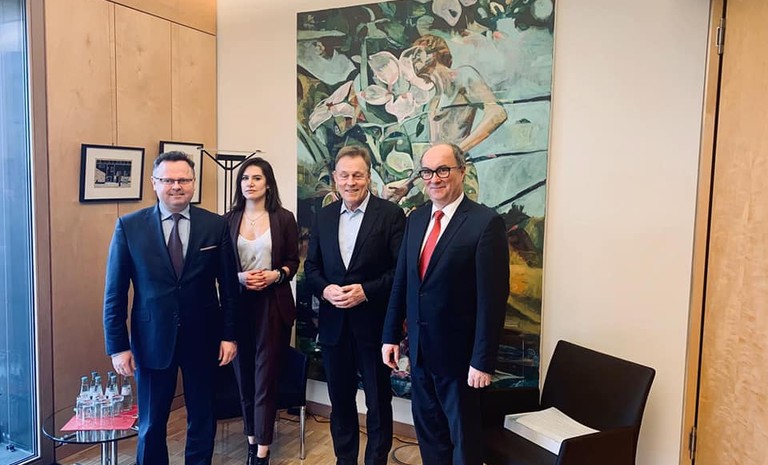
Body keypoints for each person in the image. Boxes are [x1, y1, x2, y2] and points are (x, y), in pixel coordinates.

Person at [103, 151, 239, 465]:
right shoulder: (129, 227)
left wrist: (229, 336)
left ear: (193, 183)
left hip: (203, 338)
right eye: (168, 180)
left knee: (203, 417)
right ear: (154, 183)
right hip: (151, 340)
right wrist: (118, 346)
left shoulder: (215, 225)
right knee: (151, 424)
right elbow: (114, 294)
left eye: (183, 180)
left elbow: (229, 289)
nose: (176, 186)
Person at [381, 143, 509, 465]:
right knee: (430, 438)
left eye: (443, 170)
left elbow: (492, 300)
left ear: (461, 172)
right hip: (420, 354)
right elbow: (402, 283)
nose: (434, 179)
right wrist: (390, 335)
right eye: (427, 172)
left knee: (464, 443)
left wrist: (482, 360)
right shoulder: (416, 219)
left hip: (461, 361)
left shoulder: (485, 223)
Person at [305, 145, 406, 465]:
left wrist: (366, 291)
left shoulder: (390, 215)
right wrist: (326, 290)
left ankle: (376, 461)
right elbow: (311, 268)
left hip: (373, 326)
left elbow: (400, 272)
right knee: (340, 402)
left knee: (378, 402)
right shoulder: (324, 217)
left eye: (358, 175)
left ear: (369, 177)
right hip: (334, 327)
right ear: (335, 178)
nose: (351, 182)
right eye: (345, 175)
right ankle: (344, 459)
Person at [224, 157, 299, 465]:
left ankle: (263, 451)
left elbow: (293, 262)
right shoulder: (229, 219)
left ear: (268, 184)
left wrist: (275, 275)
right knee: (244, 376)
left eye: (256, 178)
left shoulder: (284, 218)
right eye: (245, 178)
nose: (250, 183)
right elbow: (221, 268)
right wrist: (239, 278)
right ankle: (251, 439)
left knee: (265, 377)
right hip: (239, 303)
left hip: (272, 304)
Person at [387, 34, 507, 203]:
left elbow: (497, 113)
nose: (412, 60)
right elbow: (432, 151)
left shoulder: (464, 75)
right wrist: (408, 184)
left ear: (433, 54)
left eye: (417, 53)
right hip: (435, 179)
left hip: (457, 175)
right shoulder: (434, 101)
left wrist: (456, 152)